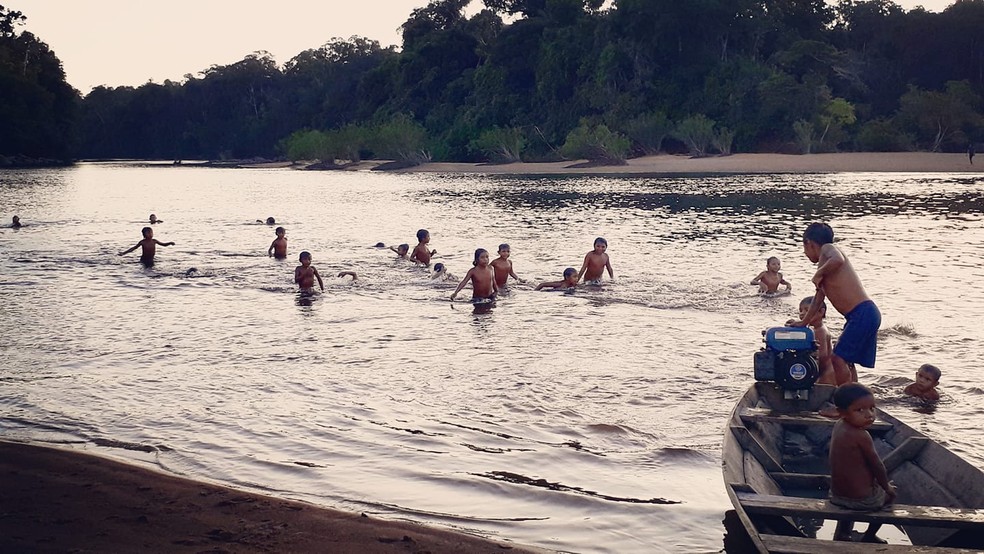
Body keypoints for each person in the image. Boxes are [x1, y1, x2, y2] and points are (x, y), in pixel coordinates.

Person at [788, 223, 880, 385]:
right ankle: (854, 396)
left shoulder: (828, 249)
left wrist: (819, 273)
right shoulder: (825, 264)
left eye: (804, 248)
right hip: (860, 315)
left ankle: (844, 403)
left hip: (862, 313)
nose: (805, 253)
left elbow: (838, 259)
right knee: (847, 360)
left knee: (838, 358)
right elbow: (818, 299)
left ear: (808, 243)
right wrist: (804, 322)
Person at [828, 383, 896, 543]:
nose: (869, 415)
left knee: (854, 492)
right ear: (842, 413)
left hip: (836, 495)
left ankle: (844, 533)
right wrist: (887, 488)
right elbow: (877, 466)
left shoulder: (839, 425)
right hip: (861, 500)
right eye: (860, 410)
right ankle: (869, 535)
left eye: (872, 408)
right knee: (890, 497)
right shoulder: (862, 435)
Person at [798, 296, 835, 385]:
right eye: (800, 311)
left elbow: (822, 356)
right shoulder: (815, 329)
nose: (802, 314)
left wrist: (814, 373)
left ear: (821, 312)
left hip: (825, 375)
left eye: (807, 310)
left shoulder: (819, 331)